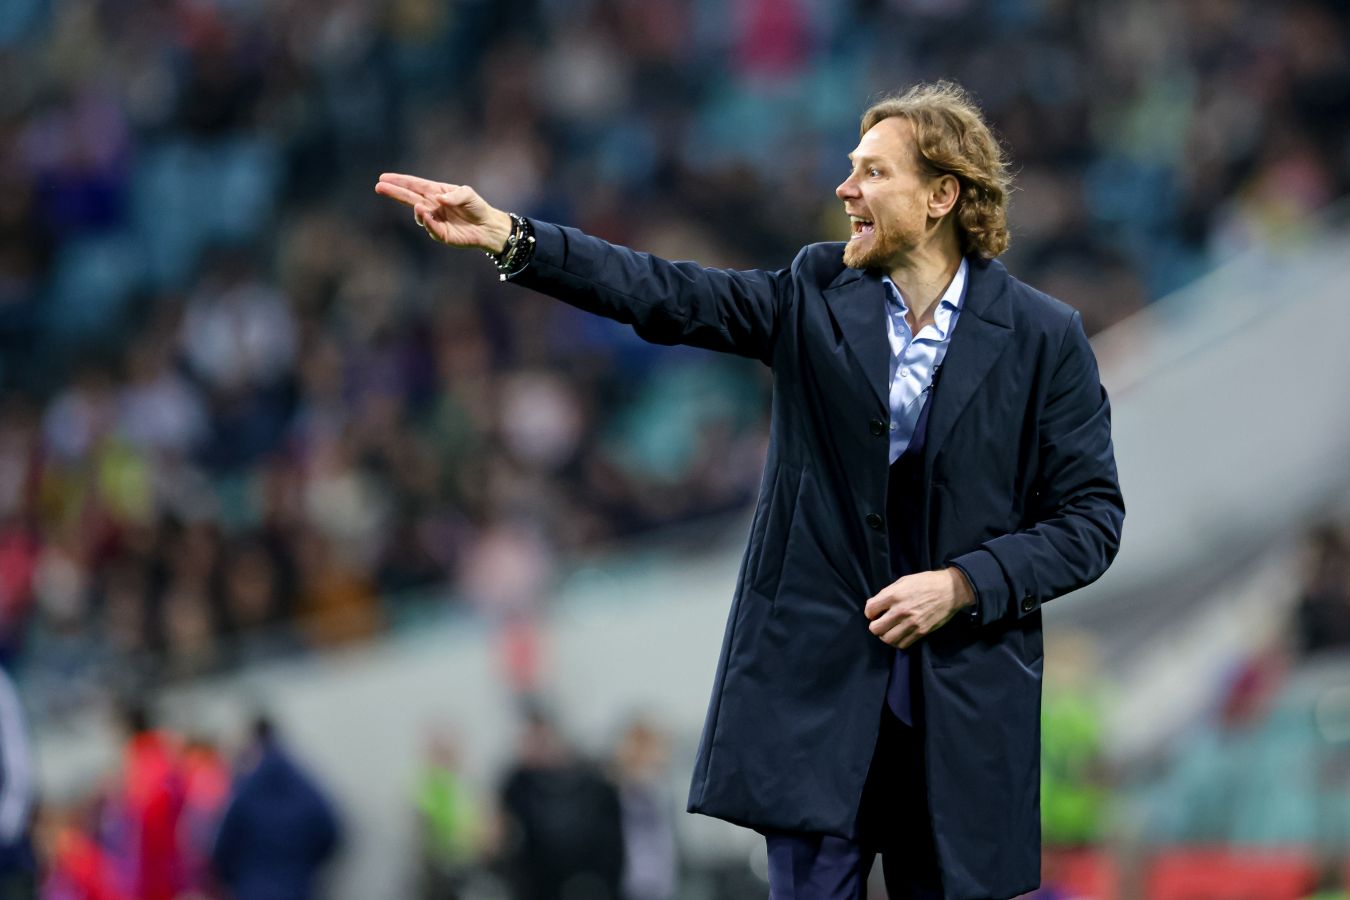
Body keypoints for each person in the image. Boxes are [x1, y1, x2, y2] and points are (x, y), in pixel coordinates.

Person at [375, 80, 1125, 900]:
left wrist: (963, 584)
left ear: (942, 195)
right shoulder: (812, 291)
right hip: (815, 706)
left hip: (962, 716)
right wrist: (511, 237)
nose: (846, 189)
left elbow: (1091, 520)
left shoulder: (1044, 338)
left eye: (873, 172)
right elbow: (664, 293)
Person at [210, 716, 341, 900]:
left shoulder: (247, 787)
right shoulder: (302, 782)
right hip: (296, 887)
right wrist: (307, 866)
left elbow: (223, 848)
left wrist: (235, 878)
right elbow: (330, 832)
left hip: (251, 888)